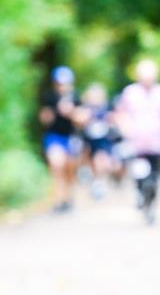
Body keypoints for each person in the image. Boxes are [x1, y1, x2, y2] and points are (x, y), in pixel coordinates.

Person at [114, 59, 160, 223]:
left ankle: (150, 206)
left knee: (154, 178)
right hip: (136, 143)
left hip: (157, 143)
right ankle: (139, 194)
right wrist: (125, 127)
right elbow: (120, 114)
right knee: (139, 173)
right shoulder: (130, 92)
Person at [39, 66, 85, 213]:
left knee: (70, 170)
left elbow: (83, 120)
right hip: (55, 137)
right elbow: (43, 118)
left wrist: (71, 112)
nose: (63, 86)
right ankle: (58, 201)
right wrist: (54, 112)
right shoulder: (49, 97)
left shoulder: (76, 97)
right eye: (60, 83)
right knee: (57, 166)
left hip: (71, 138)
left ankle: (68, 198)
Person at [80, 83, 115, 199]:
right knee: (92, 163)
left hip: (104, 141)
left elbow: (115, 119)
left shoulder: (107, 108)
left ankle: (100, 182)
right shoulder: (85, 109)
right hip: (89, 142)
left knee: (103, 162)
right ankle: (95, 181)